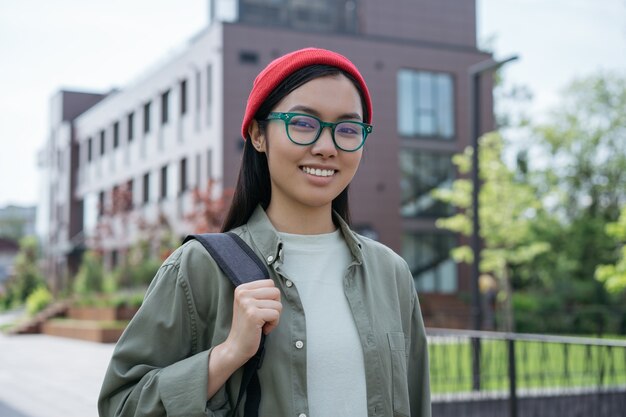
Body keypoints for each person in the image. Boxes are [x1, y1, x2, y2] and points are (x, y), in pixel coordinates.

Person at [98, 47, 431, 417]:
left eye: (348, 129)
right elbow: (120, 404)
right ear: (258, 134)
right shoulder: (198, 269)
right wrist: (228, 354)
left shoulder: (391, 273)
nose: (326, 147)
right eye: (303, 123)